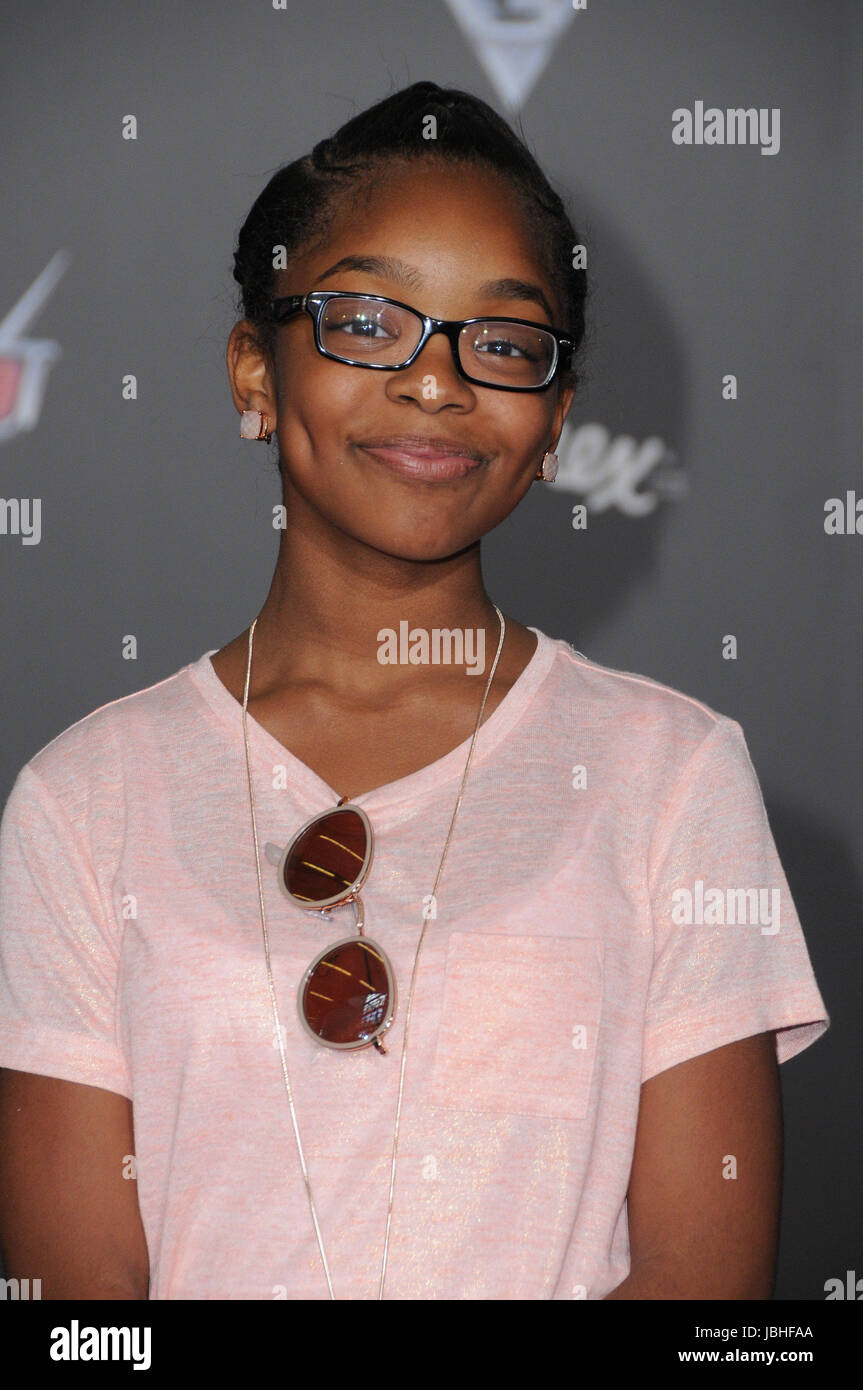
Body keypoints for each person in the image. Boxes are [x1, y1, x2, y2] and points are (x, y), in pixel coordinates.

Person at [0, 81, 828, 1301]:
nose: (436, 382)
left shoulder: (673, 773)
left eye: (500, 341)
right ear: (253, 373)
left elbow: (702, 1306)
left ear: (551, 426)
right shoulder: (82, 800)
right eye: (367, 322)